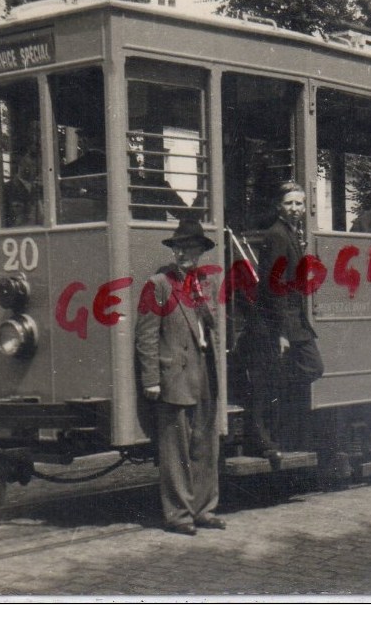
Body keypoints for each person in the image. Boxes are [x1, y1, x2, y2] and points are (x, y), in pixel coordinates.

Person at [135, 219, 225, 535]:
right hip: (174, 375)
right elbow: (146, 336)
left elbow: (212, 328)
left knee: (205, 443)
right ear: (174, 251)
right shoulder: (158, 284)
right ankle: (178, 515)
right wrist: (151, 379)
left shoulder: (207, 283)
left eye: (193, 248)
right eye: (181, 248)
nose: (187, 254)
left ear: (201, 251)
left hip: (204, 369)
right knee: (176, 449)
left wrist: (204, 302)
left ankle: (204, 509)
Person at [251, 182, 324, 462]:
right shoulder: (278, 235)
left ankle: (276, 431)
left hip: (291, 316)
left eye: (299, 204)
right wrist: (281, 332)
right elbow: (275, 285)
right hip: (278, 318)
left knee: (307, 369)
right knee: (303, 368)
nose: (295, 209)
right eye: (289, 204)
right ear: (279, 207)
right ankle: (268, 440)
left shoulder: (291, 233)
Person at [128, 131, 205, 222]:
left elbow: (188, 216)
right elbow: (189, 216)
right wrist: (203, 181)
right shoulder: (156, 186)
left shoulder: (156, 186)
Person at [2, 151, 44, 227]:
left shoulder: (39, 190)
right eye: (31, 163)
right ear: (20, 164)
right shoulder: (5, 190)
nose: (37, 167)